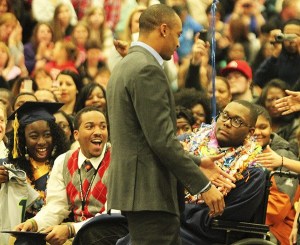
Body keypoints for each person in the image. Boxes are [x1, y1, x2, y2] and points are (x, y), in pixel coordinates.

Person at [106, 4, 234, 244]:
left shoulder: (125, 65)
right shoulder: (147, 69)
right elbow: (162, 141)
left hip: (138, 191)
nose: (178, 43)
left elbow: (143, 137)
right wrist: (203, 185)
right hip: (149, 192)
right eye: (177, 34)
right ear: (163, 30)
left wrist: (198, 162)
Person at [15, 106, 128, 245]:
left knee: (90, 235)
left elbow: (111, 214)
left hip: (113, 229)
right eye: (90, 127)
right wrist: (34, 223)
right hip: (79, 231)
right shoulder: (64, 161)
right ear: (76, 135)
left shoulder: (118, 160)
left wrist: (70, 229)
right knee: (26, 239)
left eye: (103, 127)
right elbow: (56, 206)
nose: (98, 132)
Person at [179, 100, 266, 244]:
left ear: (250, 132)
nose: (227, 123)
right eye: (225, 115)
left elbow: (220, 220)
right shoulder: (188, 141)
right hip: (171, 221)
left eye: (237, 121)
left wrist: (175, 210)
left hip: (203, 235)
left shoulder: (252, 171)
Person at [5, 101, 69, 220]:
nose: (41, 142)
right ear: (23, 139)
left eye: (47, 135)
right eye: (34, 136)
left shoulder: (66, 165)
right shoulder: (12, 169)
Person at [253, 104, 299, 245]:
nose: (257, 132)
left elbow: (277, 209)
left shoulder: (283, 156)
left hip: (278, 231)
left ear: (271, 128)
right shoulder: (238, 150)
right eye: (252, 127)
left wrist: (240, 217)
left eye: (262, 127)